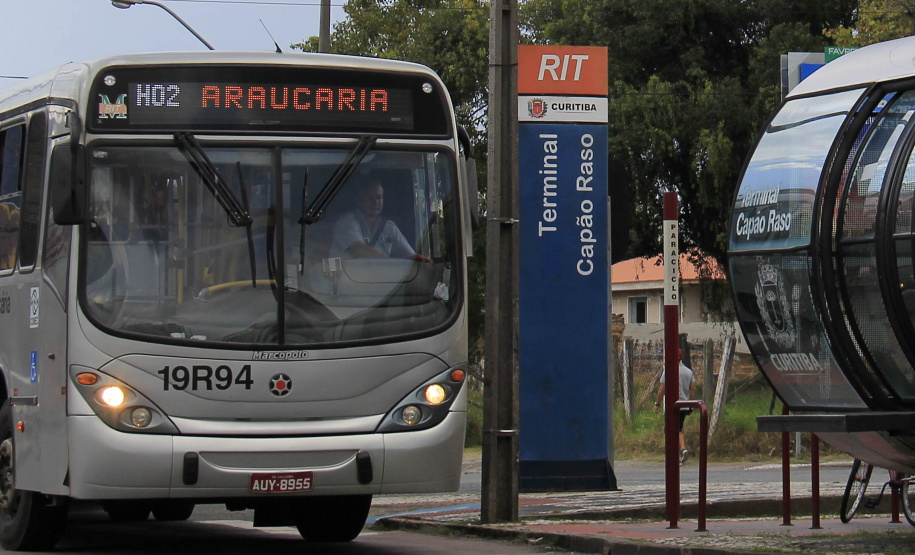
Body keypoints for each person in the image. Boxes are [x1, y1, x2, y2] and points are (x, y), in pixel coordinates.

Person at [331, 179, 426, 261]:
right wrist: (391, 264)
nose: (376, 202)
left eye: (379, 197)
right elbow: (360, 250)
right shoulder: (346, 222)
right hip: (346, 280)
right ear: (358, 201)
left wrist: (423, 260)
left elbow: (411, 257)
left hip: (380, 281)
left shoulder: (389, 227)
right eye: (370, 198)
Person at [654, 348, 696, 465]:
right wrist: (690, 404)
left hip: (672, 407)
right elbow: (692, 389)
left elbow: (662, 389)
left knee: (672, 430)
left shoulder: (669, 371)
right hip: (684, 405)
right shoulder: (688, 372)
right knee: (679, 428)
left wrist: (657, 403)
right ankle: (682, 450)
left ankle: (680, 452)